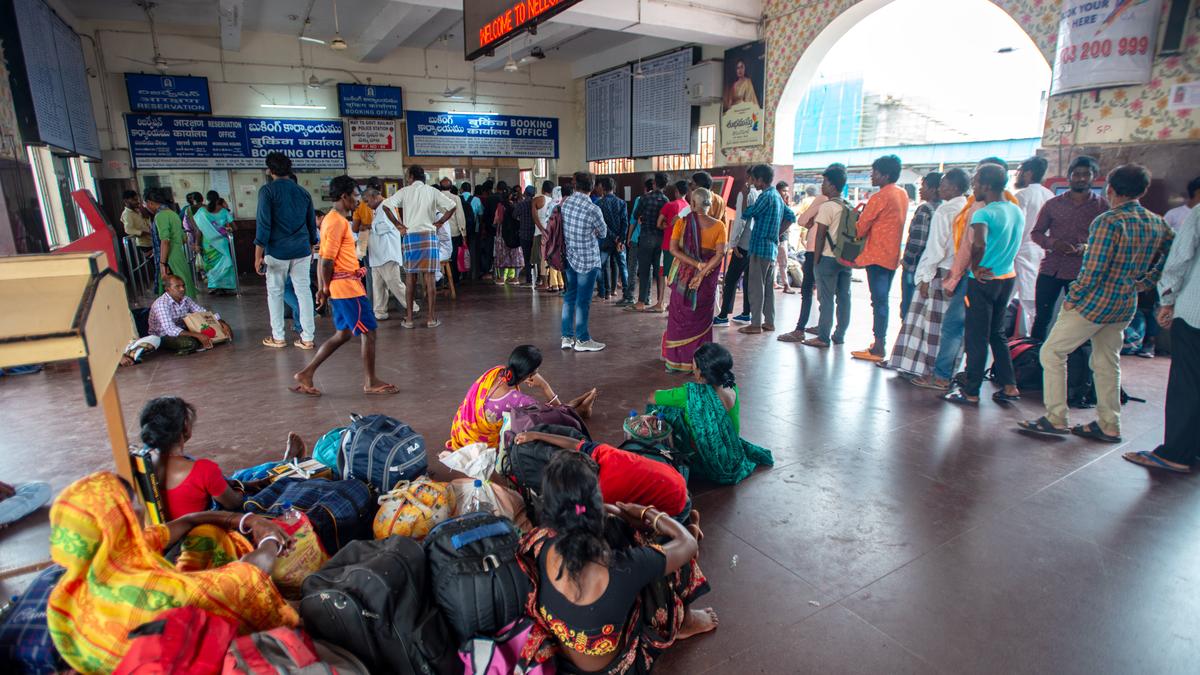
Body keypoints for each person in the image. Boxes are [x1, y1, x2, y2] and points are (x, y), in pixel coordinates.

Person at [47, 472, 298, 673]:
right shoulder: (159, 595)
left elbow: (188, 520)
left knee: (208, 534)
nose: (139, 510)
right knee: (268, 597)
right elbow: (249, 574)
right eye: (132, 506)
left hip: (145, 650)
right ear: (122, 517)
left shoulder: (65, 596)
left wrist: (249, 520)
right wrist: (271, 539)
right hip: (178, 659)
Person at [517, 450, 714, 675]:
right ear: (595, 502)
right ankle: (686, 622)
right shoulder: (623, 569)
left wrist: (614, 512)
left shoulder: (540, 541)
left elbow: (601, 515)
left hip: (565, 664)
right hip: (616, 669)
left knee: (620, 530)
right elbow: (687, 545)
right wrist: (648, 514)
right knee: (666, 544)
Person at [1019, 164, 1173, 440]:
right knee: (1106, 362)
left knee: (1052, 353)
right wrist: (1146, 282)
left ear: (1110, 188)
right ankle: (1109, 424)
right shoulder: (1156, 222)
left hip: (1093, 303)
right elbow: (1170, 256)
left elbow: (1094, 269)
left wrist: (1074, 297)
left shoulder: (1108, 221)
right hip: (1125, 302)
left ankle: (1056, 417)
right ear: (1143, 190)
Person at [291, 175, 397, 397]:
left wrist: (324, 287)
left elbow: (324, 258)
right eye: (356, 196)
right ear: (344, 196)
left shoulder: (335, 220)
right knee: (369, 332)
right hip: (347, 287)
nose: (359, 201)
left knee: (344, 333)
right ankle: (370, 381)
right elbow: (326, 260)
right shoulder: (336, 222)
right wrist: (323, 288)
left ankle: (307, 373)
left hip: (344, 284)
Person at [138, 396, 305, 518]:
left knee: (243, 477)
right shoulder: (202, 470)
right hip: (202, 529)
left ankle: (286, 462)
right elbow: (234, 503)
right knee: (277, 486)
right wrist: (240, 489)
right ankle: (287, 463)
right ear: (185, 428)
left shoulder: (143, 461)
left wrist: (242, 484)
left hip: (170, 530)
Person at [1123, 206, 1198, 472]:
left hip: (1195, 312)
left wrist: (1166, 300)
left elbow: (1179, 259)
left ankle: (1176, 453)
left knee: (1187, 383)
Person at [944, 164, 1024, 405]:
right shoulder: (1014, 210)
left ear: (987, 186)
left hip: (982, 281)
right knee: (997, 333)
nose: (974, 187)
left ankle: (971, 390)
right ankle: (1010, 385)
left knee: (976, 336)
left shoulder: (983, 213)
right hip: (1007, 278)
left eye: (977, 182)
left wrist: (976, 268)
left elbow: (978, 243)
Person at [649, 342, 771, 485]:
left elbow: (653, 397)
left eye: (694, 366)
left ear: (700, 372)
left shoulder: (690, 393)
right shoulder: (732, 387)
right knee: (692, 407)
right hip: (732, 455)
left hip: (705, 461)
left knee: (664, 410)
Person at [896, 169, 970, 387]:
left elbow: (935, 248)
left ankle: (931, 372)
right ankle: (947, 370)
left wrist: (926, 277)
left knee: (931, 326)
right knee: (952, 326)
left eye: (944, 184)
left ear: (955, 188)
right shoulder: (967, 208)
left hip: (939, 272)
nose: (940, 189)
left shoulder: (945, 210)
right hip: (958, 273)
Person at [511, 429, 689, 518]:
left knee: (627, 531)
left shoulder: (605, 493)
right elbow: (575, 444)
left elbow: (585, 511)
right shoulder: (603, 454)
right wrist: (537, 435)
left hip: (676, 507)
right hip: (676, 478)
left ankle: (690, 526)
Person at [447, 345, 597, 450]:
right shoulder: (520, 401)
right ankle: (580, 410)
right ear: (530, 374)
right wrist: (545, 386)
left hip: (462, 430)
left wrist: (527, 375)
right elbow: (558, 415)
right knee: (558, 417)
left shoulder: (495, 372)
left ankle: (576, 407)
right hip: (479, 444)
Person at [1029, 156, 1109, 341]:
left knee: (1079, 320)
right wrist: (1053, 243)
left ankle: (1075, 362)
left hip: (1081, 272)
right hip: (1051, 268)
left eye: (1086, 174)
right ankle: (1034, 358)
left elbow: (1105, 241)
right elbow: (1036, 233)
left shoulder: (1102, 207)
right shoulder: (1053, 204)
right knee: (1042, 317)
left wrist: (1085, 248)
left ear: (1093, 176)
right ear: (1069, 177)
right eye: (1077, 174)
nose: (1081, 178)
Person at [381, 165, 458, 328]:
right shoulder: (432, 191)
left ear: (410, 176)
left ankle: (408, 319)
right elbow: (452, 206)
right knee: (429, 279)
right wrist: (440, 222)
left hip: (410, 237)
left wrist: (398, 225)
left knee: (410, 278)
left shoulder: (405, 191)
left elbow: (386, 206)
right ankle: (431, 319)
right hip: (429, 236)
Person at [255, 152, 318, 350]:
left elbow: (263, 224)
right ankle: (307, 338)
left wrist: (258, 254)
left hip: (277, 252)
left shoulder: (267, 191)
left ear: (270, 170)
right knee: (304, 293)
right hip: (302, 251)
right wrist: (311, 245)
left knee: (275, 293)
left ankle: (278, 337)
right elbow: (311, 224)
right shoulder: (303, 192)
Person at [850, 155, 910, 362]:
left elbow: (861, 228)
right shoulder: (902, 194)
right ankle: (880, 343)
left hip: (875, 255)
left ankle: (879, 345)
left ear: (885, 175)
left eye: (874, 172)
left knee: (879, 301)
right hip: (892, 256)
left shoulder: (879, 197)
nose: (871, 176)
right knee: (882, 301)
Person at [661, 188, 727, 372]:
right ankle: (699, 364)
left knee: (678, 316)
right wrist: (702, 271)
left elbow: (674, 250)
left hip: (684, 277)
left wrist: (696, 267)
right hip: (706, 279)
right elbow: (720, 254)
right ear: (710, 204)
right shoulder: (719, 226)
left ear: (693, 204)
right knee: (702, 316)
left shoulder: (683, 222)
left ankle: (675, 363)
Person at [793, 165, 852, 348]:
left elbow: (820, 234)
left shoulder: (828, 206)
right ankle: (839, 334)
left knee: (826, 299)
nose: (822, 186)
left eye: (825, 182)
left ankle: (823, 337)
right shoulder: (848, 205)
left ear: (833, 185)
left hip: (827, 257)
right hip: (844, 257)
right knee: (844, 297)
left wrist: (816, 259)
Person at [738, 164, 795, 335]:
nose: (753, 182)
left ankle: (755, 324)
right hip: (771, 249)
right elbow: (791, 217)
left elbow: (746, 214)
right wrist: (776, 233)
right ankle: (769, 322)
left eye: (754, 179)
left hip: (759, 248)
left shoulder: (765, 197)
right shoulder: (777, 196)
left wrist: (747, 195)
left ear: (761, 180)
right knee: (768, 287)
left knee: (756, 288)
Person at [559, 172, 609, 352]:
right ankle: (582, 339)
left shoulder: (566, 203)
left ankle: (566, 337)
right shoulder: (593, 209)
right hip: (588, 260)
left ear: (574, 185)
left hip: (570, 257)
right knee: (583, 301)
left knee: (570, 297)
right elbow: (603, 233)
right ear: (592, 186)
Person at [1012, 157, 1054, 334]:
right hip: (1040, 252)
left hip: (1021, 250)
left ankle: (1032, 349)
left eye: (1019, 171)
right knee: (1031, 303)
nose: (1017, 175)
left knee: (1029, 303)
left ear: (1028, 173)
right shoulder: (1050, 195)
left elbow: (1016, 229)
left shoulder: (1022, 196)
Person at [359, 186, 411, 321]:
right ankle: (379, 312)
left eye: (367, 201)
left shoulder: (387, 207)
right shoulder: (377, 210)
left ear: (374, 197)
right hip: (377, 255)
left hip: (387, 253)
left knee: (394, 283)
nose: (367, 204)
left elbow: (388, 226)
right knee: (378, 286)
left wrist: (370, 227)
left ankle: (412, 307)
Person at [713, 178, 759, 326]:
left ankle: (723, 315)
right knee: (747, 280)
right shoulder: (760, 194)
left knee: (731, 278)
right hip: (754, 243)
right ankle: (746, 313)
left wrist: (734, 243)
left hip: (743, 243)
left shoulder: (745, 194)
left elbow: (741, 219)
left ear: (751, 177)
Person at [148, 275, 232, 355]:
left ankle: (200, 340)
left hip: (181, 329)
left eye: (183, 286)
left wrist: (222, 323)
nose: (182, 289)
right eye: (177, 286)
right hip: (162, 335)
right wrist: (198, 335)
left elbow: (203, 313)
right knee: (190, 343)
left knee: (220, 330)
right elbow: (170, 329)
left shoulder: (186, 299)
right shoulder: (161, 304)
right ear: (167, 289)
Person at [897, 172, 943, 319]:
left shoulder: (925, 209)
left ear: (933, 189)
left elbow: (917, 242)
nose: (920, 189)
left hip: (915, 267)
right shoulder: (943, 209)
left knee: (909, 309)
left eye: (923, 186)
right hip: (933, 269)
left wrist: (906, 261)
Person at [628, 173, 670, 312]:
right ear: (665, 185)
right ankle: (660, 302)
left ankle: (641, 302)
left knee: (644, 271)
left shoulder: (644, 198)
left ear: (654, 184)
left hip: (646, 237)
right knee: (659, 272)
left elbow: (636, 216)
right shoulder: (666, 200)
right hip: (660, 238)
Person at [145, 187, 196, 299]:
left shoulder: (160, 216)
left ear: (150, 202)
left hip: (169, 256)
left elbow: (165, 241)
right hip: (178, 255)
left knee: (171, 287)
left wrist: (162, 263)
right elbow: (183, 238)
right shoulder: (173, 214)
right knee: (183, 283)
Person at [191, 190, 237, 295]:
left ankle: (214, 286)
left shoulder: (202, 212)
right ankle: (227, 286)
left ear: (206, 200)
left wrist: (197, 244)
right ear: (218, 199)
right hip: (222, 242)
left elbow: (199, 230)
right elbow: (234, 227)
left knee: (211, 264)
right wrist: (225, 228)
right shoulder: (224, 212)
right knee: (226, 263)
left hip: (208, 243)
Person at [654, 181, 689, 309]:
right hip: (682, 247)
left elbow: (659, 223)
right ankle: (675, 302)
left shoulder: (670, 205)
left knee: (663, 274)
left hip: (668, 245)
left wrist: (666, 226)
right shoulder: (689, 207)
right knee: (678, 275)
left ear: (676, 191)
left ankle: (660, 303)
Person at [596, 177, 628, 303]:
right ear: (613, 188)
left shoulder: (599, 204)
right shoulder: (621, 203)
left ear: (603, 188)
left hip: (605, 241)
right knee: (622, 266)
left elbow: (602, 225)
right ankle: (626, 294)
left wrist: (613, 236)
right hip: (619, 241)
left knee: (603, 267)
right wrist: (621, 239)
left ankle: (605, 293)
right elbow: (625, 222)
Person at [493, 188, 526, 285]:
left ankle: (502, 278)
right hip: (515, 232)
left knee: (502, 253)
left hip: (503, 232)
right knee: (516, 253)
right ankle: (515, 278)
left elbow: (497, 220)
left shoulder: (501, 206)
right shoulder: (518, 205)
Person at [533, 180, 555, 290]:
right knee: (550, 257)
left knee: (541, 258)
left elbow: (535, 217)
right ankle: (552, 282)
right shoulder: (554, 202)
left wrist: (542, 229)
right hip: (551, 233)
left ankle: (544, 283)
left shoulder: (537, 200)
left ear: (542, 189)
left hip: (539, 233)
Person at [515, 185, 538, 285]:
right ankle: (539, 278)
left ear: (525, 193)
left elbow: (514, 215)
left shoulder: (521, 204)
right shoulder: (538, 204)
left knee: (527, 256)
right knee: (538, 256)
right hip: (536, 233)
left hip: (524, 233)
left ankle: (529, 279)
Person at [121, 189, 153, 258]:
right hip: (144, 244)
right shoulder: (127, 214)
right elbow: (128, 229)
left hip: (151, 240)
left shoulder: (138, 210)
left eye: (137, 199)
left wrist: (146, 214)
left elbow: (147, 222)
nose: (137, 202)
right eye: (133, 200)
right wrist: (143, 233)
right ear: (126, 201)